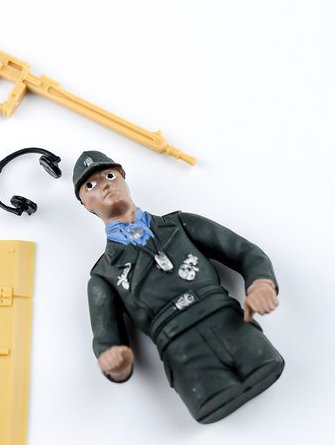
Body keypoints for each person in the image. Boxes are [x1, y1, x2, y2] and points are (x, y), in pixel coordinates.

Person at [74, 150, 284, 423]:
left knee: (263, 363)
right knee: (211, 398)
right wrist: (115, 365)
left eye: (110, 176)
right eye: (91, 185)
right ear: (85, 204)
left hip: (231, 326)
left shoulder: (181, 224)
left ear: (124, 179)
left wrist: (260, 284)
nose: (105, 185)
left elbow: (244, 252)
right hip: (184, 353)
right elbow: (106, 338)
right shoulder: (103, 275)